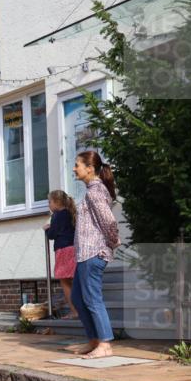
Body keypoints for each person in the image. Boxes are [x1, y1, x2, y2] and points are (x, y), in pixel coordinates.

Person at [69, 150, 121, 359]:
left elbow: (109, 222)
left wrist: (112, 243)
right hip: (84, 254)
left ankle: (105, 344)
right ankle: (93, 340)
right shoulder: (91, 191)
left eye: (77, 165)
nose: (74, 168)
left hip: (93, 253)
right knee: (77, 298)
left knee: (92, 299)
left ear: (89, 169)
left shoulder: (95, 191)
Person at [44, 190, 79, 319]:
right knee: (75, 279)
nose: (49, 205)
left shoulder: (56, 216)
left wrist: (47, 229)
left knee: (64, 280)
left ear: (57, 203)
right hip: (73, 249)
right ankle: (82, 309)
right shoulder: (71, 213)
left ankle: (75, 311)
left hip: (63, 250)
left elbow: (52, 235)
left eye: (50, 202)